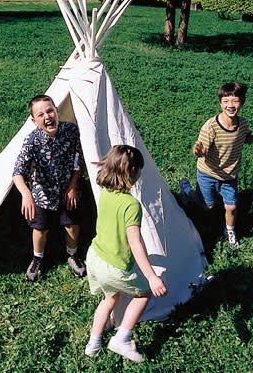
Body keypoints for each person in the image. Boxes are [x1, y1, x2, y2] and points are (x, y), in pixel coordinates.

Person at [84, 145, 167, 362]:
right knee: (143, 294)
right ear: (132, 172)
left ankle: (93, 343)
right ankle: (122, 337)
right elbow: (135, 242)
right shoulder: (131, 205)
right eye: (139, 169)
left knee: (109, 298)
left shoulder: (105, 194)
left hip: (94, 257)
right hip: (115, 266)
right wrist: (151, 277)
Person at [13, 94, 86, 281]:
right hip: (42, 192)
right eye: (40, 114)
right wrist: (26, 194)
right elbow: (18, 172)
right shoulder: (31, 141)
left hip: (67, 188)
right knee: (40, 228)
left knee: (71, 224)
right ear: (34, 120)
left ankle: (72, 254)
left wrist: (73, 185)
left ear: (57, 111)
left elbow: (78, 160)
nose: (47, 117)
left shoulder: (71, 130)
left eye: (50, 111)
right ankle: (37, 258)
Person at [180, 82, 253, 248]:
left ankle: (229, 230)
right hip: (208, 173)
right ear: (220, 102)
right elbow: (201, 150)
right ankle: (187, 192)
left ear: (242, 102)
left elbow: (246, 138)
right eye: (226, 101)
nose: (230, 105)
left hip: (230, 175)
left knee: (232, 206)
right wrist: (198, 151)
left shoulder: (243, 124)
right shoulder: (211, 126)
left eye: (235, 101)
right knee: (209, 206)